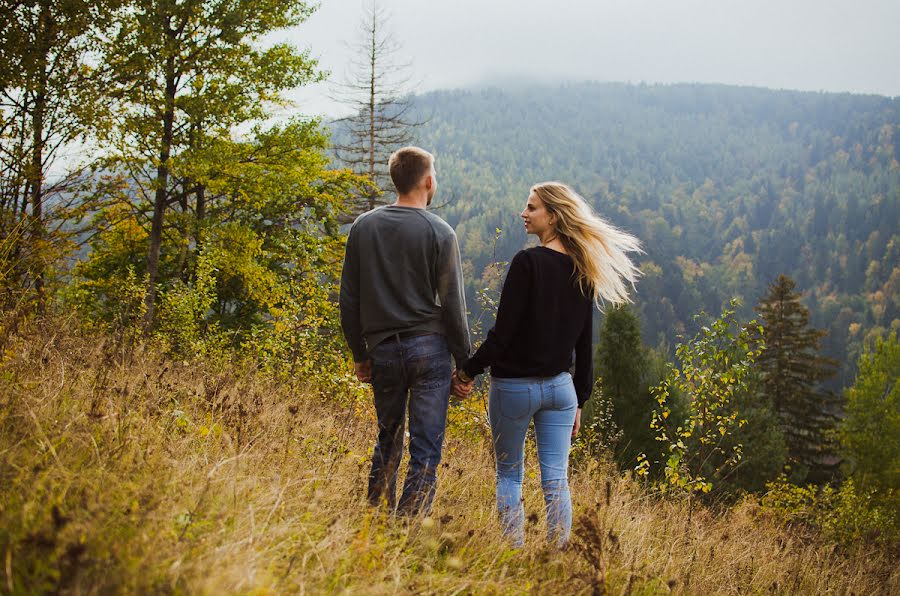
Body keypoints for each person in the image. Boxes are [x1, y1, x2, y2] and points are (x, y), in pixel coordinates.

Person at [456, 181, 641, 547]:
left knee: (509, 475)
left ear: (553, 216)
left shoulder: (528, 262)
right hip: (561, 390)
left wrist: (467, 371)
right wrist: (580, 401)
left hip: (514, 388)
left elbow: (503, 334)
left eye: (531, 208)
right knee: (556, 478)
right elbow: (584, 344)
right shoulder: (582, 268)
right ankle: (557, 558)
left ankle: (513, 553)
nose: (523, 214)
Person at [339, 146, 473, 516]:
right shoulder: (439, 231)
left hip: (382, 349)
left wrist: (360, 355)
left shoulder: (364, 227)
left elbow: (349, 300)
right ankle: (409, 530)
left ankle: (376, 522)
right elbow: (452, 306)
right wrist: (465, 366)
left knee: (389, 438)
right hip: (429, 350)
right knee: (426, 446)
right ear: (429, 182)